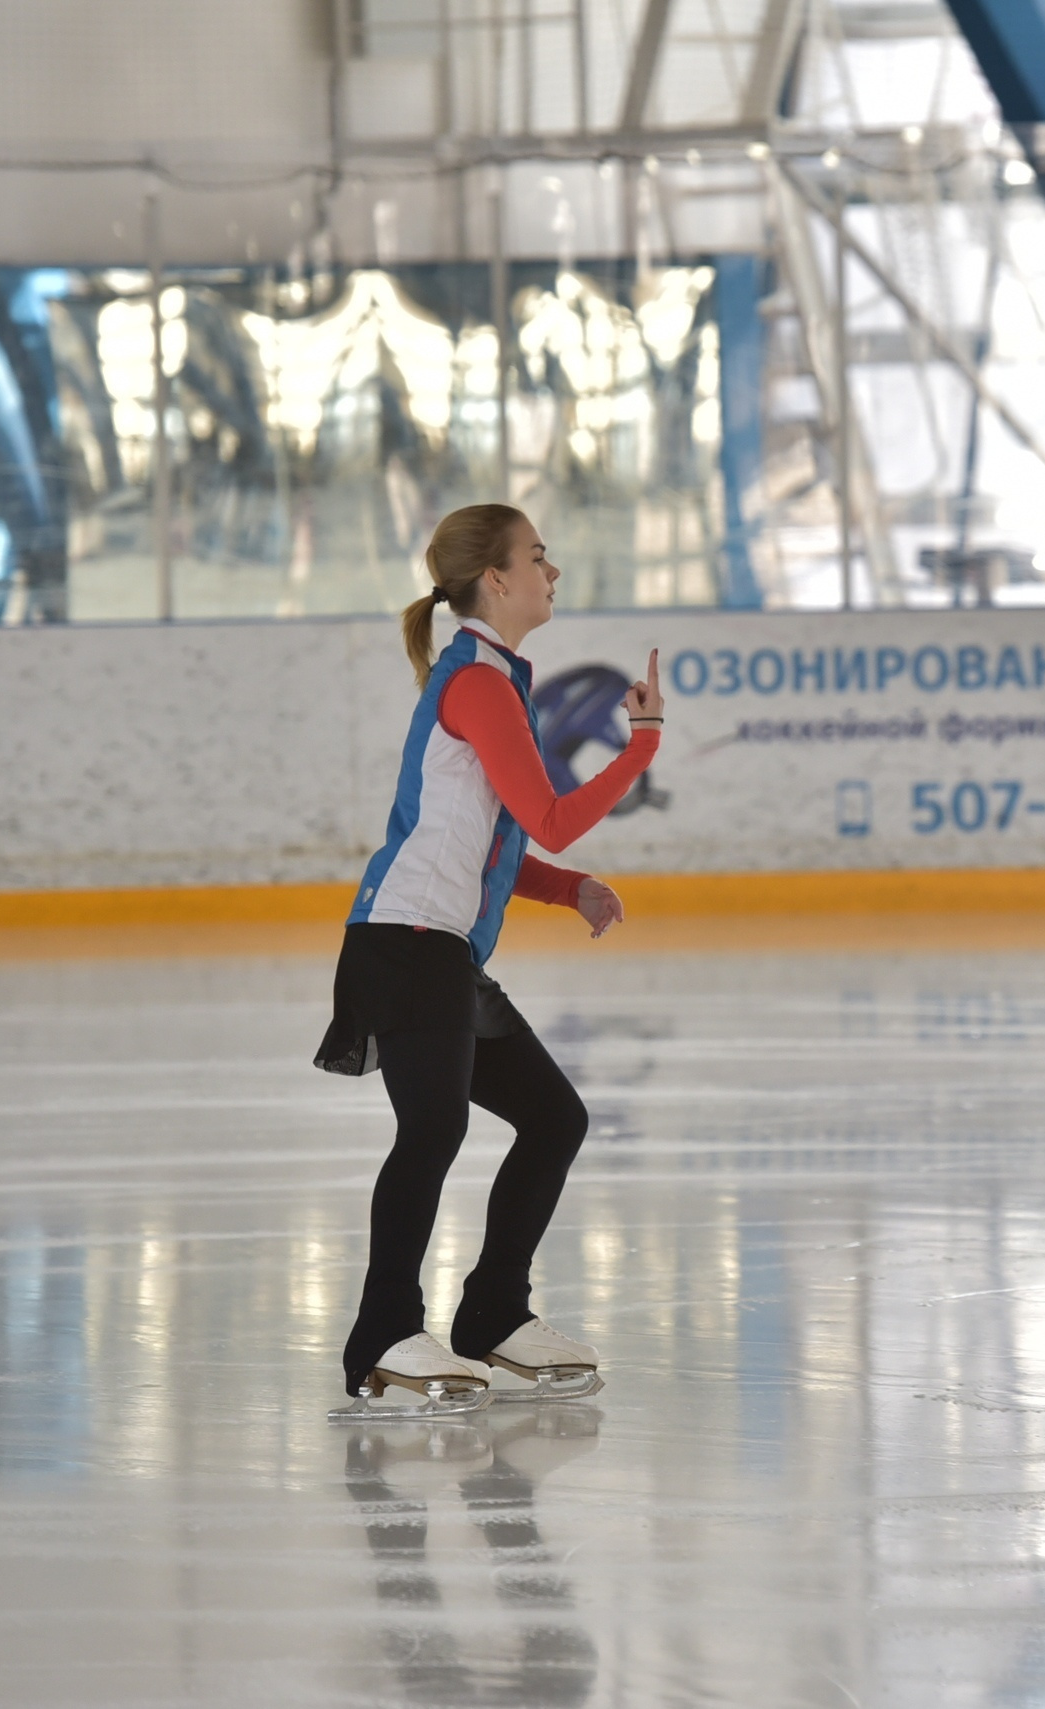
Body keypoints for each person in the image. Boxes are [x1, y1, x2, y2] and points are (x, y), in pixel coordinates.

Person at [317, 502, 663, 1416]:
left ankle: (494, 1313)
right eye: (538, 557)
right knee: (432, 1131)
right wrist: (643, 748)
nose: (553, 572)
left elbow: (489, 839)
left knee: (554, 1118)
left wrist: (567, 888)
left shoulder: (494, 678)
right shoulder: (476, 683)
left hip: (439, 948)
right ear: (496, 579)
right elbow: (548, 815)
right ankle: (383, 1331)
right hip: (405, 942)